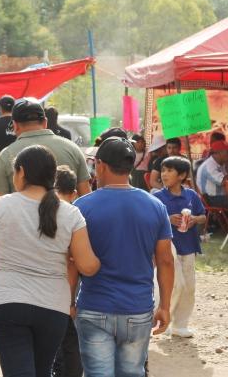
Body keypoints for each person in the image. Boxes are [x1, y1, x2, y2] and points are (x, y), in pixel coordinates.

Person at [0, 145, 100, 377]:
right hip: (53, 306)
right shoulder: (70, 214)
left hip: (6, 302)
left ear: (21, 172)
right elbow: (88, 266)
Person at [73, 137, 174, 377]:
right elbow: (165, 261)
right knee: (132, 372)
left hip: (94, 305)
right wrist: (165, 306)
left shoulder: (81, 207)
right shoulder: (155, 206)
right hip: (137, 307)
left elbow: (70, 261)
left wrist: (68, 302)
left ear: (101, 165)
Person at [152, 156, 206, 339]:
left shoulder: (191, 195)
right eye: (163, 170)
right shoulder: (157, 198)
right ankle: (161, 320)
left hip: (188, 246)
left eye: (169, 170)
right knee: (175, 284)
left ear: (182, 175)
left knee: (189, 286)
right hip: (168, 246)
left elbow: (203, 216)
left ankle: (180, 324)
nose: (164, 174)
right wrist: (168, 219)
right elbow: (150, 221)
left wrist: (194, 220)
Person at [0, 100, 90, 196]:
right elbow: (85, 195)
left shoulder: (6, 155)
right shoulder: (72, 149)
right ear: (45, 122)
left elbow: (0, 198)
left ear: (15, 125)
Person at [51, 165, 82, 377]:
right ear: (74, 194)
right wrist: (70, 302)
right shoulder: (74, 216)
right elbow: (73, 265)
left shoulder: (34, 211)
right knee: (70, 345)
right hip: (64, 293)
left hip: (36, 294)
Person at [196, 141, 228, 208]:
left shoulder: (220, 164)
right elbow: (223, 182)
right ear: (219, 153)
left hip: (218, 197)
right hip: (211, 199)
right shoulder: (210, 165)